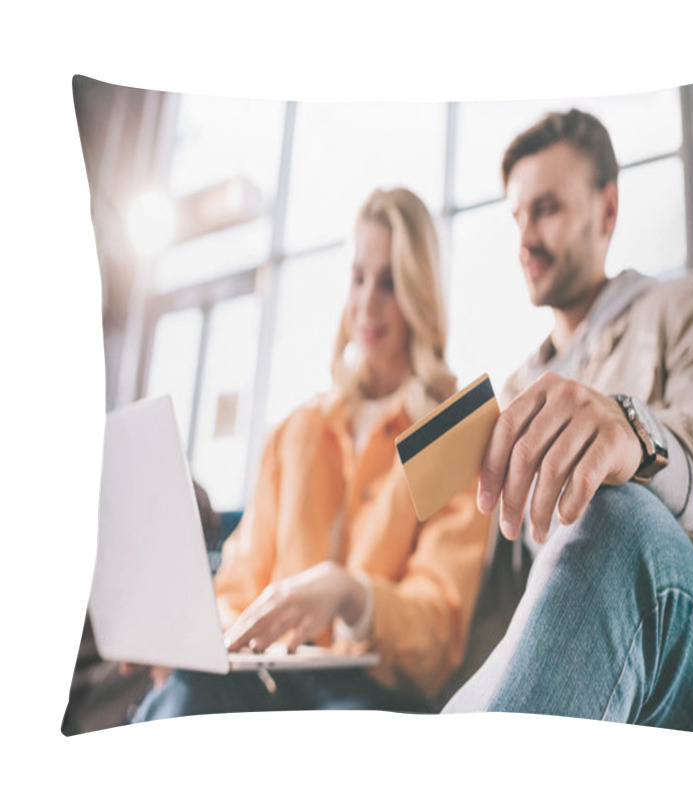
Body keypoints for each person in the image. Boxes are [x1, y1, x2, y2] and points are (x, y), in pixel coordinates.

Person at [133, 187, 491, 721]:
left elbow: (437, 635)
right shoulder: (296, 431)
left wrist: (351, 595)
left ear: (420, 292)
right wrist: (197, 638)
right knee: (185, 688)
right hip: (265, 682)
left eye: (390, 282)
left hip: (370, 700)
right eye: (359, 277)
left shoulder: (454, 434)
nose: (367, 303)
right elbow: (240, 583)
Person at [443, 109, 693, 735]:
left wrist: (634, 433)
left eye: (545, 209)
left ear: (607, 212)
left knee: (612, 512)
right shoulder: (517, 392)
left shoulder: (686, 306)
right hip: (569, 680)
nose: (524, 239)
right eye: (517, 217)